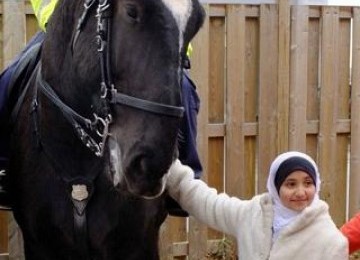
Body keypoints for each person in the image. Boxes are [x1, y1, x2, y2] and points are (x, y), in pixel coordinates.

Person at [0, 0, 202, 210]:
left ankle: (183, 176)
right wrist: (55, 18)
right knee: (9, 80)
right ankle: (5, 168)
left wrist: (173, 42)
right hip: (69, 28)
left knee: (183, 89)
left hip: (133, 30)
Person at [167, 151, 348, 259]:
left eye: (308, 183)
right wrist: (170, 169)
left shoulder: (331, 242)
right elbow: (209, 204)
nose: (301, 192)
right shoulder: (254, 214)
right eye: (291, 184)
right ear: (276, 187)